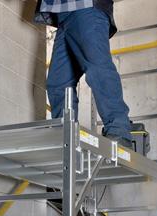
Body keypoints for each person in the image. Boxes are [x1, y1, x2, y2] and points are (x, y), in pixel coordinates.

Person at [34, 0, 133, 148]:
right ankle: (64, 135)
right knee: (58, 83)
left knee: (97, 68)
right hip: (63, 17)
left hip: (85, 7)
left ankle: (119, 129)